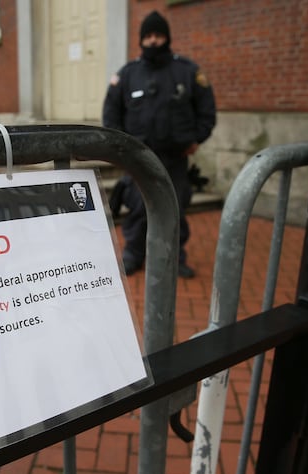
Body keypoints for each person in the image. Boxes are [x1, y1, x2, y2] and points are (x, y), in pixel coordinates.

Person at [102, 10, 216, 278]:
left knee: (174, 208)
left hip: (175, 159)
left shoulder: (187, 72)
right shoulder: (127, 75)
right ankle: (133, 254)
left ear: (167, 38)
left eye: (158, 35)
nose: (153, 41)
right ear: (142, 40)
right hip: (138, 160)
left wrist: (196, 139)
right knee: (139, 207)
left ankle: (174, 258)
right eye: (148, 36)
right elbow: (111, 116)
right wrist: (121, 152)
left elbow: (206, 111)